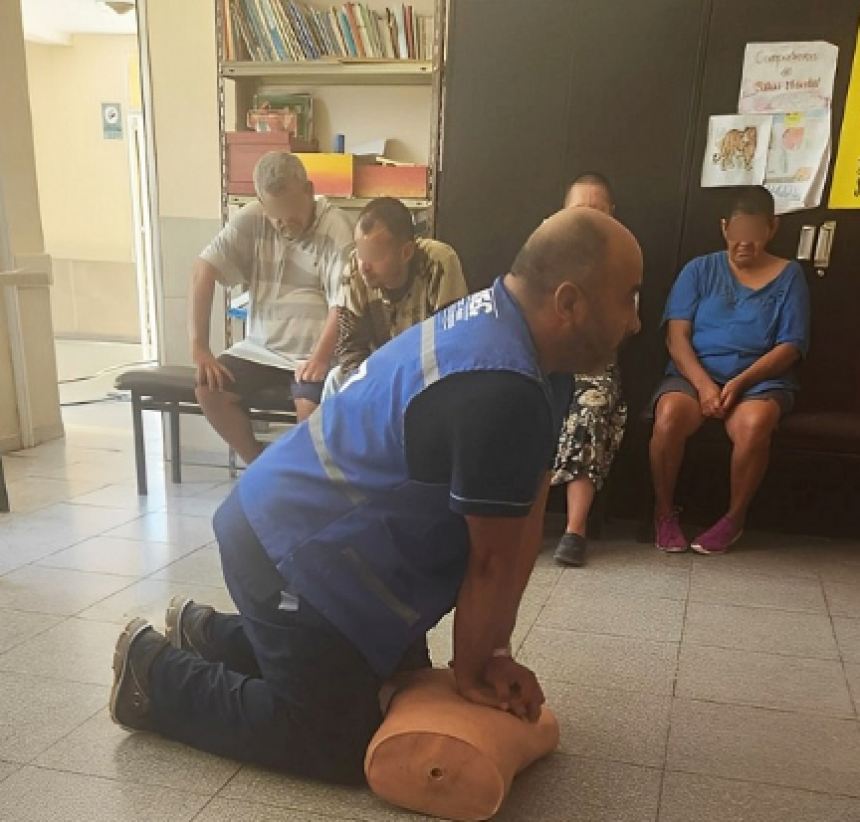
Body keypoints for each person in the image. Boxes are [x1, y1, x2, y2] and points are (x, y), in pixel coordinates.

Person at [108, 206, 643, 786]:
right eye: (629, 298)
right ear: (568, 303)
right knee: (338, 738)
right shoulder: (503, 387)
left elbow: (524, 518)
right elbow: (490, 561)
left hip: (318, 540)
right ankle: (153, 671)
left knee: (394, 685)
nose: (636, 322)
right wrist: (474, 671)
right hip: (286, 551)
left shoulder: (531, 351)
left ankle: (207, 633)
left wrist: (490, 655)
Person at [650, 186, 810, 555]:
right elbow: (677, 337)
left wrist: (739, 383)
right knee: (669, 415)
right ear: (725, 228)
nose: (744, 244)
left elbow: (791, 346)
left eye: (754, 235)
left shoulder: (790, 276)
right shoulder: (699, 269)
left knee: (754, 425)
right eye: (738, 233)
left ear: (772, 229)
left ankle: (733, 519)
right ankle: (663, 512)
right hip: (694, 375)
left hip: (759, 379)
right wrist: (705, 386)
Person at [189, 151, 353, 463]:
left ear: (308, 191)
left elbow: (343, 301)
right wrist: (199, 347)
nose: (284, 220)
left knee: (309, 409)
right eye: (276, 211)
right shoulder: (252, 218)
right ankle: (260, 469)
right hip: (261, 349)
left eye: (292, 208)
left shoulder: (336, 226)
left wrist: (319, 358)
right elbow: (202, 271)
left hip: (316, 353)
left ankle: (307, 483)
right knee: (209, 389)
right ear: (262, 203)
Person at [552, 173, 628, 568]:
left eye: (598, 212)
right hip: (545, 363)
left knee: (590, 410)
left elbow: (630, 324)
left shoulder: (624, 260)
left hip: (593, 369)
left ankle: (574, 531)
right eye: (580, 211)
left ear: (612, 216)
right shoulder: (541, 256)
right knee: (510, 404)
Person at [325, 196, 468, 397]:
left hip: (426, 372)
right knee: (335, 380)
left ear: (406, 252)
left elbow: (452, 341)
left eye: (374, 254)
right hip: (378, 372)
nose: (364, 265)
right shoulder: (355, 271)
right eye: (360, 251)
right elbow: (350, 346)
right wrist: (371, 389)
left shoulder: (438, 263)